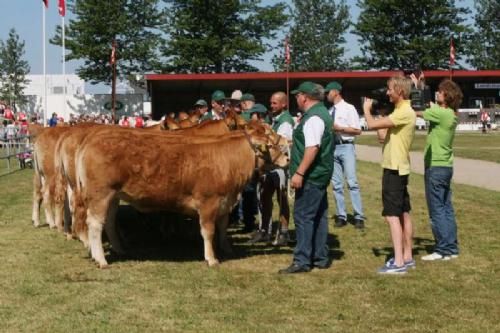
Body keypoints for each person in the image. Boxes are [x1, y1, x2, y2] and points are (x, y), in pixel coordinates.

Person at [363, 75, 416, 274]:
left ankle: (399, 262)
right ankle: (407, 255)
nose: (387, 93)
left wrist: (367, 111)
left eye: (390, 89)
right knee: (403, 212)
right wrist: (379, 117)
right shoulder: (401, 111)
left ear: (400, 91)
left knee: (392, 216)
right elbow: (382, 136)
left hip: (394, 169)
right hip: (398, 167)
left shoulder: (404, 112)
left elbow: (370, 126)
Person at [279, 81, 333, 274]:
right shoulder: (322, 113)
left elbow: (313, 148)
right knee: (318, 216)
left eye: (297, 95)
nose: (296, 98)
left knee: (303, 216)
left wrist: (299, 173)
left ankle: (302, 260)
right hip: (320, 173)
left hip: (311, 175)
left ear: (305, 97)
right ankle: (320, 257)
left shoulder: (313, 118)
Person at [415, 79, 462, 261]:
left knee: (436, 210)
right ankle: (451, 247)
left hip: (435, 166)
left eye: (440, 91)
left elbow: (419, 110)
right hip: (446, 166)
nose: (437, 93)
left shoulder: (441, 114)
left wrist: (418, 90)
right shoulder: (449, 114)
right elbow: (429, 105)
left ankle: (442, 249)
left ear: (447, 95)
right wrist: (420, 87)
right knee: (446, 208)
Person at [325, 81, 365, 229]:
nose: (326, 95)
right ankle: (341, 215)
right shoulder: (329, 111)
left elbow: (357, 130)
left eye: (328, 92)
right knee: (336, 184)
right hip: (333, 147)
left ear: (336, 92)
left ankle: (358, 216)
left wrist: (339, 128)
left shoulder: (349, 108)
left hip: (346, 146)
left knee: (352, 182)